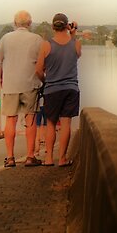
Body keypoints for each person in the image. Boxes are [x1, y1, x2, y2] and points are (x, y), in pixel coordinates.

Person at [0, 10, 43, 168]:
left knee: (10, 119)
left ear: (14, 23)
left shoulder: (5, 39)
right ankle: (30, 156)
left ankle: (10, 158)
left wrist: (2, 78)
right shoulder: (37, 39)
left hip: (10, 85)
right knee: (30, 119)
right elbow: (42, 63)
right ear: (30, 23)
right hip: (30, 84)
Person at [35, 12, 82, 167]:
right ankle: (62, 159)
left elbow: (38, 70)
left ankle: (48, 159)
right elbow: (77, 55)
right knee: (66, 123)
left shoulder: (46, 44)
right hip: (71, 89)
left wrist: (46, 81)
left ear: (52, 26)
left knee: (50, 124)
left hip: (52, 90)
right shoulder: (76, 43)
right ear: (67, 25)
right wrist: (73, 33)